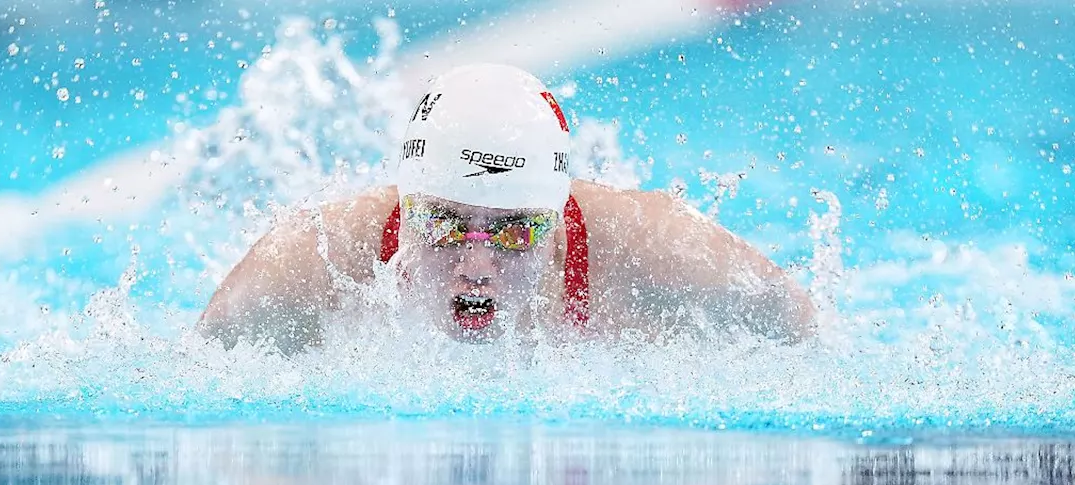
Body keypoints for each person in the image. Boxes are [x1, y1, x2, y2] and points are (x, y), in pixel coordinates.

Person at [211, 62, 816, 353]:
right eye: (445, 224)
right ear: (407, 206)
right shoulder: (306, 266)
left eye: (511, 233)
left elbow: (805, 335)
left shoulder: (656, 249)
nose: (476, 264)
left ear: (554, 225)